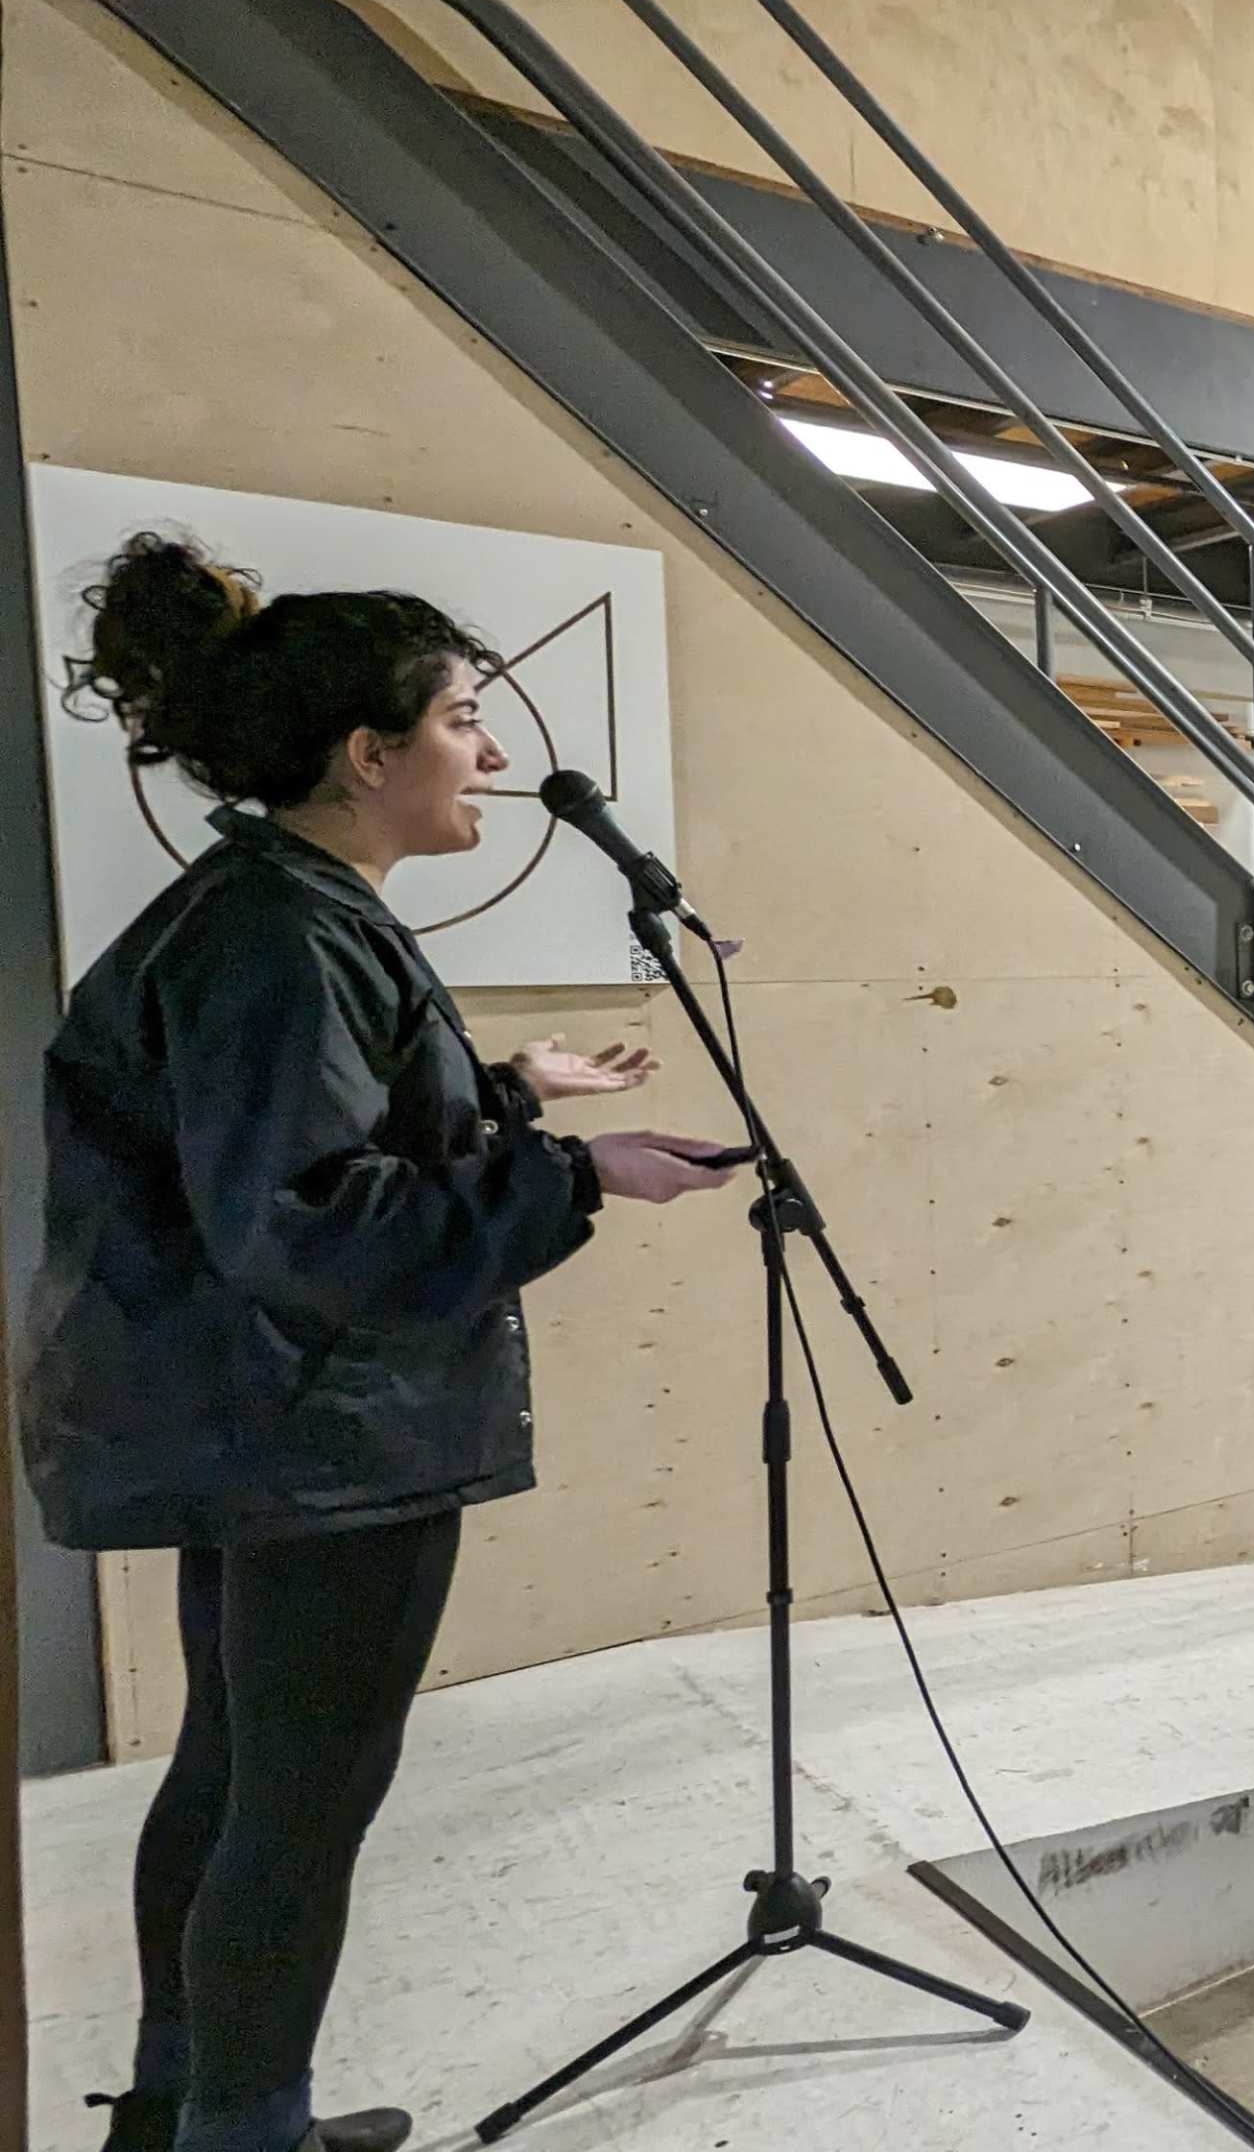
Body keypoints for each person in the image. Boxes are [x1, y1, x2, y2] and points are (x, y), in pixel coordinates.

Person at [29, 535, 747, 2152]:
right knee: (295, 1804)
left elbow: (289, 1155)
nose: (492, 755)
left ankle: (188, 2107)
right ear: (369, 756)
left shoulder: (274, 910)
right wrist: (580, 1177)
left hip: (256, 1427)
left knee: (235, 1773)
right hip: (314, 1437)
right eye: (463, 720)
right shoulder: (281, 938)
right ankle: (243, 2131)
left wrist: (503, 1094)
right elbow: (312, 1226)